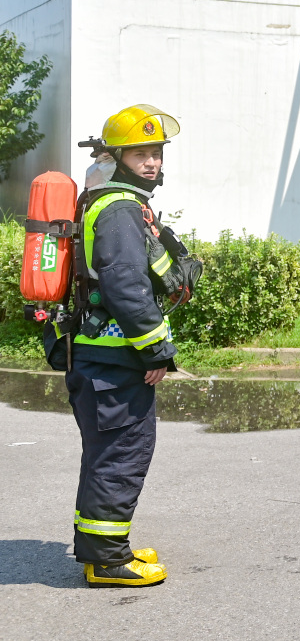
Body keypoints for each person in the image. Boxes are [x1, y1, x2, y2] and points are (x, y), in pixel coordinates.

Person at [48, 105, 202, 586]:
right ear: (115, 159)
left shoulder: (111, 202)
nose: (152, 162)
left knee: (106, 456)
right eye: (140, 154)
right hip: (113, 361)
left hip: (100, 357)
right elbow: (126, 289)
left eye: (156, 153)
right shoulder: (119, 210)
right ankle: (109, 563)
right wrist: (156, 352)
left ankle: (101, 549)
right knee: (121, 457)